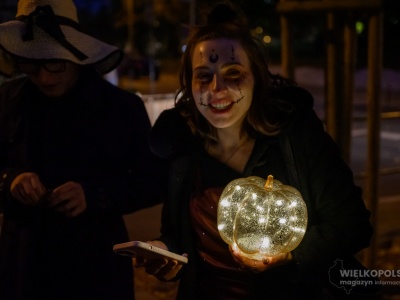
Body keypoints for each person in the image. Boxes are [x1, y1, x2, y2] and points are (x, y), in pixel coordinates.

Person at [135, 2, 376, 300]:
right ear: (189, 84)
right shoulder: (184, 151)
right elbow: (176, 235)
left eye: (232, 72)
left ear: (257, 76)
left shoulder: (295, 136)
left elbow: (353, 224)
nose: (216, 88)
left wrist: (291, 257)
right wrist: (165, 252)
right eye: (203, 75)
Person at [0, 0, 163, 299]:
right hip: (22, 266)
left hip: (96, 268)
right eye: (33, 66)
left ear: (77, 55)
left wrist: (94, 195)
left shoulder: (122, 108)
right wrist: (10, 180)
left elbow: (153, 180)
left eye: (55, 64)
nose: (45, 77)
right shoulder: (6, 100)